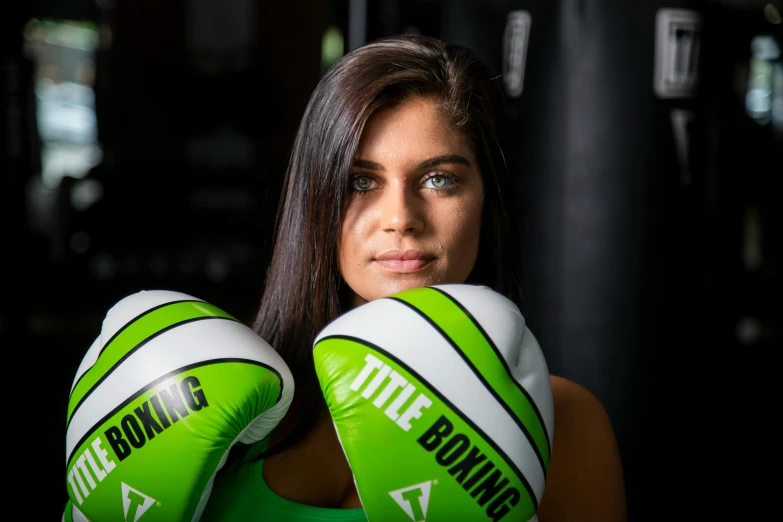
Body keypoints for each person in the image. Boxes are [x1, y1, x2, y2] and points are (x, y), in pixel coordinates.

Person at [201, 34, 626, 522]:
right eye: (361, 181)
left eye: (439, 179)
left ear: (487, 198)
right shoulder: (225, 403)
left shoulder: (563, 422)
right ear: (315, 201)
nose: (400, 217)